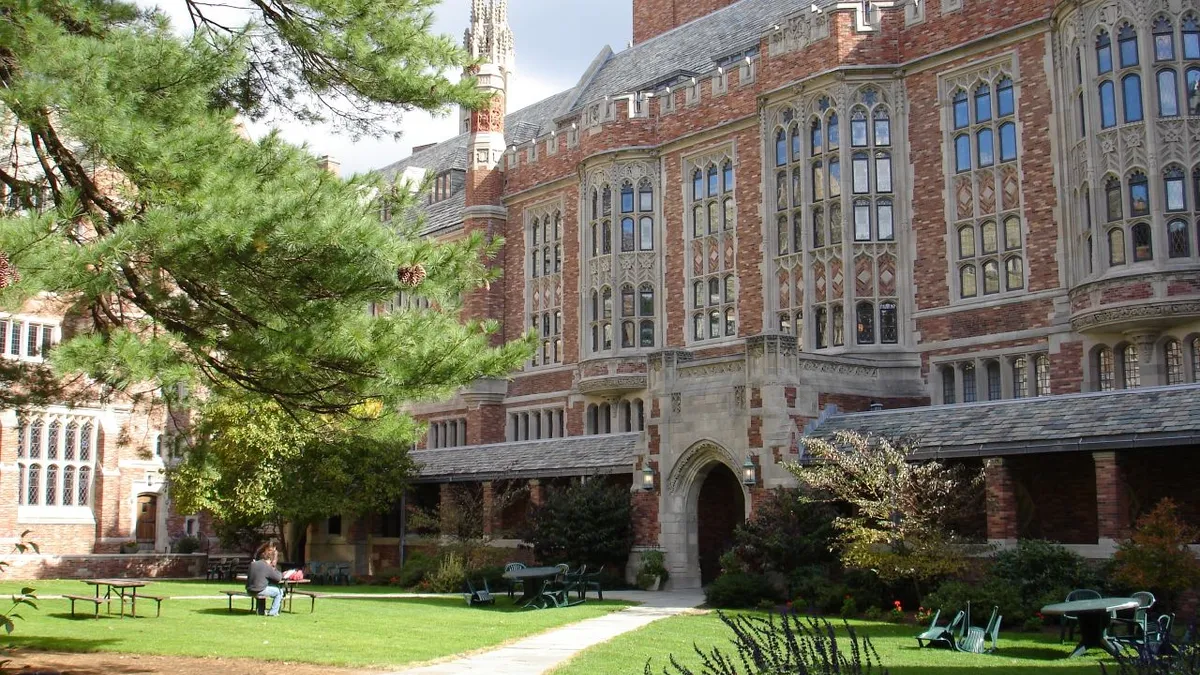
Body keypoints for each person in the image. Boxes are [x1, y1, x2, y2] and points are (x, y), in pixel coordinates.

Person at [246, 542, 284, 616]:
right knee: (279, 592)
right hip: (259, 590)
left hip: (249, 590)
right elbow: (278, 578)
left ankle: (262, 611)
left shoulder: (253, 564)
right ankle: (273, 612)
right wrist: (274, 568)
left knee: (264, 587)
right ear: (269, 559)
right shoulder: (266, 566)